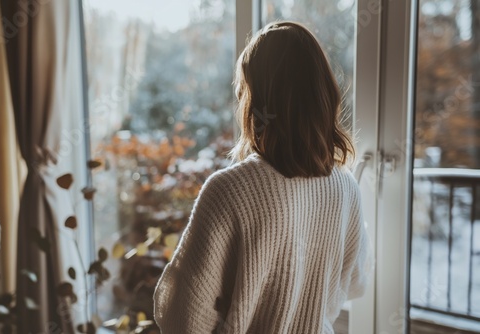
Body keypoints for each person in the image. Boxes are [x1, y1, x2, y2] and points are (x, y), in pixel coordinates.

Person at [154, 21, 371, 334]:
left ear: (255, 99)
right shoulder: (347, 186)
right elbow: (356, 282)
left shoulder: (228, 191)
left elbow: (182, 317)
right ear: (322, 94)